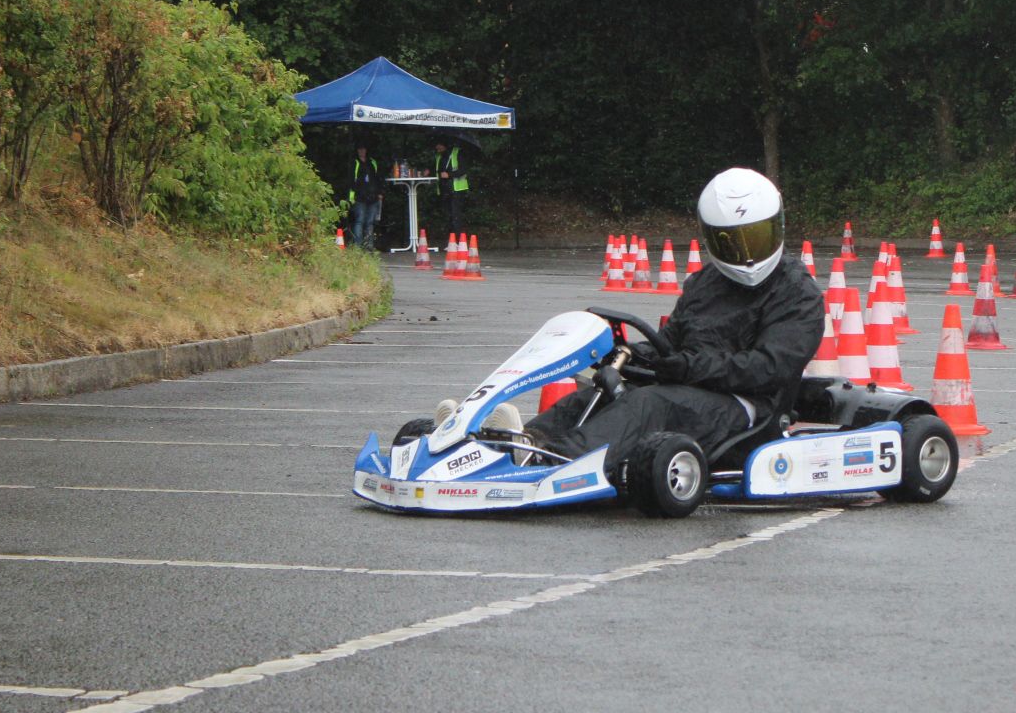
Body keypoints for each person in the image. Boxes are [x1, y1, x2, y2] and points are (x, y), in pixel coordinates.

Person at [444, 168, 824, 483]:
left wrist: (688, 367)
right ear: (711, 237)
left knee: (648, 403)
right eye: (732, 242)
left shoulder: (797, 293)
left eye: (755, 238)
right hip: (693, 387)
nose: (746, 254)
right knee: (609, 387)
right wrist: (627, 355)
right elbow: (672, 341)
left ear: (777, 226)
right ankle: (516, 443)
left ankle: (552, 463)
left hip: (750, 409)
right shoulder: (706, 283)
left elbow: (769, 369)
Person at [347, 142, 384, 249]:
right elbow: (351, 181)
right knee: (360, 221)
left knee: (370, 222)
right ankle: (358, 245)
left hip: (373, 197)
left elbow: (378, 178)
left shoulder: (372, 162)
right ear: (357, 151)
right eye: (360, 149)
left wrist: (380, 193)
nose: (362, 151)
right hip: (359, 197)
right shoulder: (355, 163)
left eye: (363, 149)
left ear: (366, 150)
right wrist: (352, 197)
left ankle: (369, 245)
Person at [435, 140, 468, 234]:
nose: (437, 147)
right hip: (444, 189)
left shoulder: (457, 152)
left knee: (455, 215)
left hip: (457, 189)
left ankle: (458, 239)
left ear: (445, 145)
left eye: (439, 145)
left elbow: (463, 170)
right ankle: (451, 239)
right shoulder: (439, 156)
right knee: (448, 215)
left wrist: (449, 174)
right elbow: (437, 170)